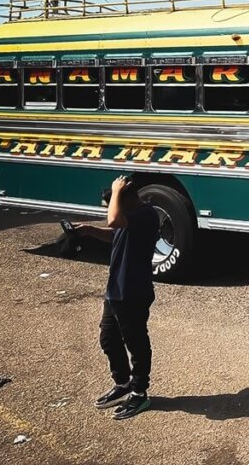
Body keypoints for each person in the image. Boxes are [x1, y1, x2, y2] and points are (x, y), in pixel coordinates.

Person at [73, 176, 160, 420]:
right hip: (115, 289)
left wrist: (115, 191)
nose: (111, 211)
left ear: (127, 199)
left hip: (133, 290)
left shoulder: (147, 214)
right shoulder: (129, 218)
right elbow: (115, 232)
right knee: (108, 338)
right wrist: (91, 231)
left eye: (115, 203)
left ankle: (140, 393)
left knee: (136, 342)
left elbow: (114, 219)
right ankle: (123, 384)